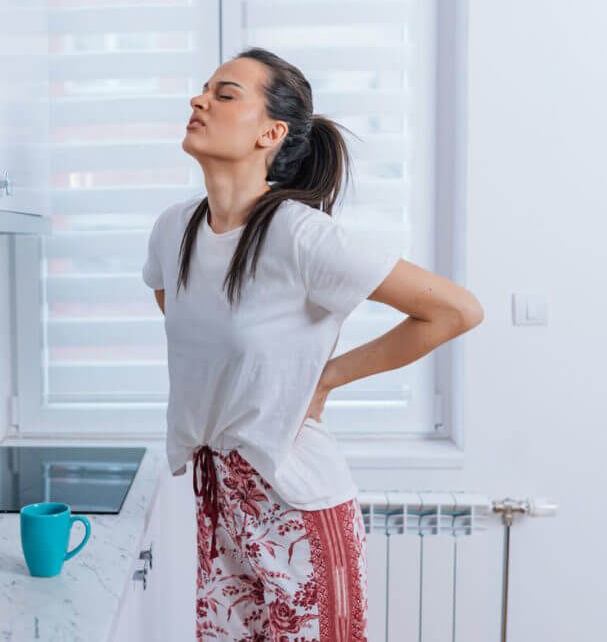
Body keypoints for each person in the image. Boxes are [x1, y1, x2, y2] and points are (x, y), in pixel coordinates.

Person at [140, 47, 484, 641]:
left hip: (297, 500)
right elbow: (185, 318)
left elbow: (455, 310)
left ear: (270, 133)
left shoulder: (300, 235)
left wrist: (324, 379)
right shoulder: (175, 228)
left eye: (225, 95)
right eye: (203, 90)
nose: (198, 101)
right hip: (220, 498)